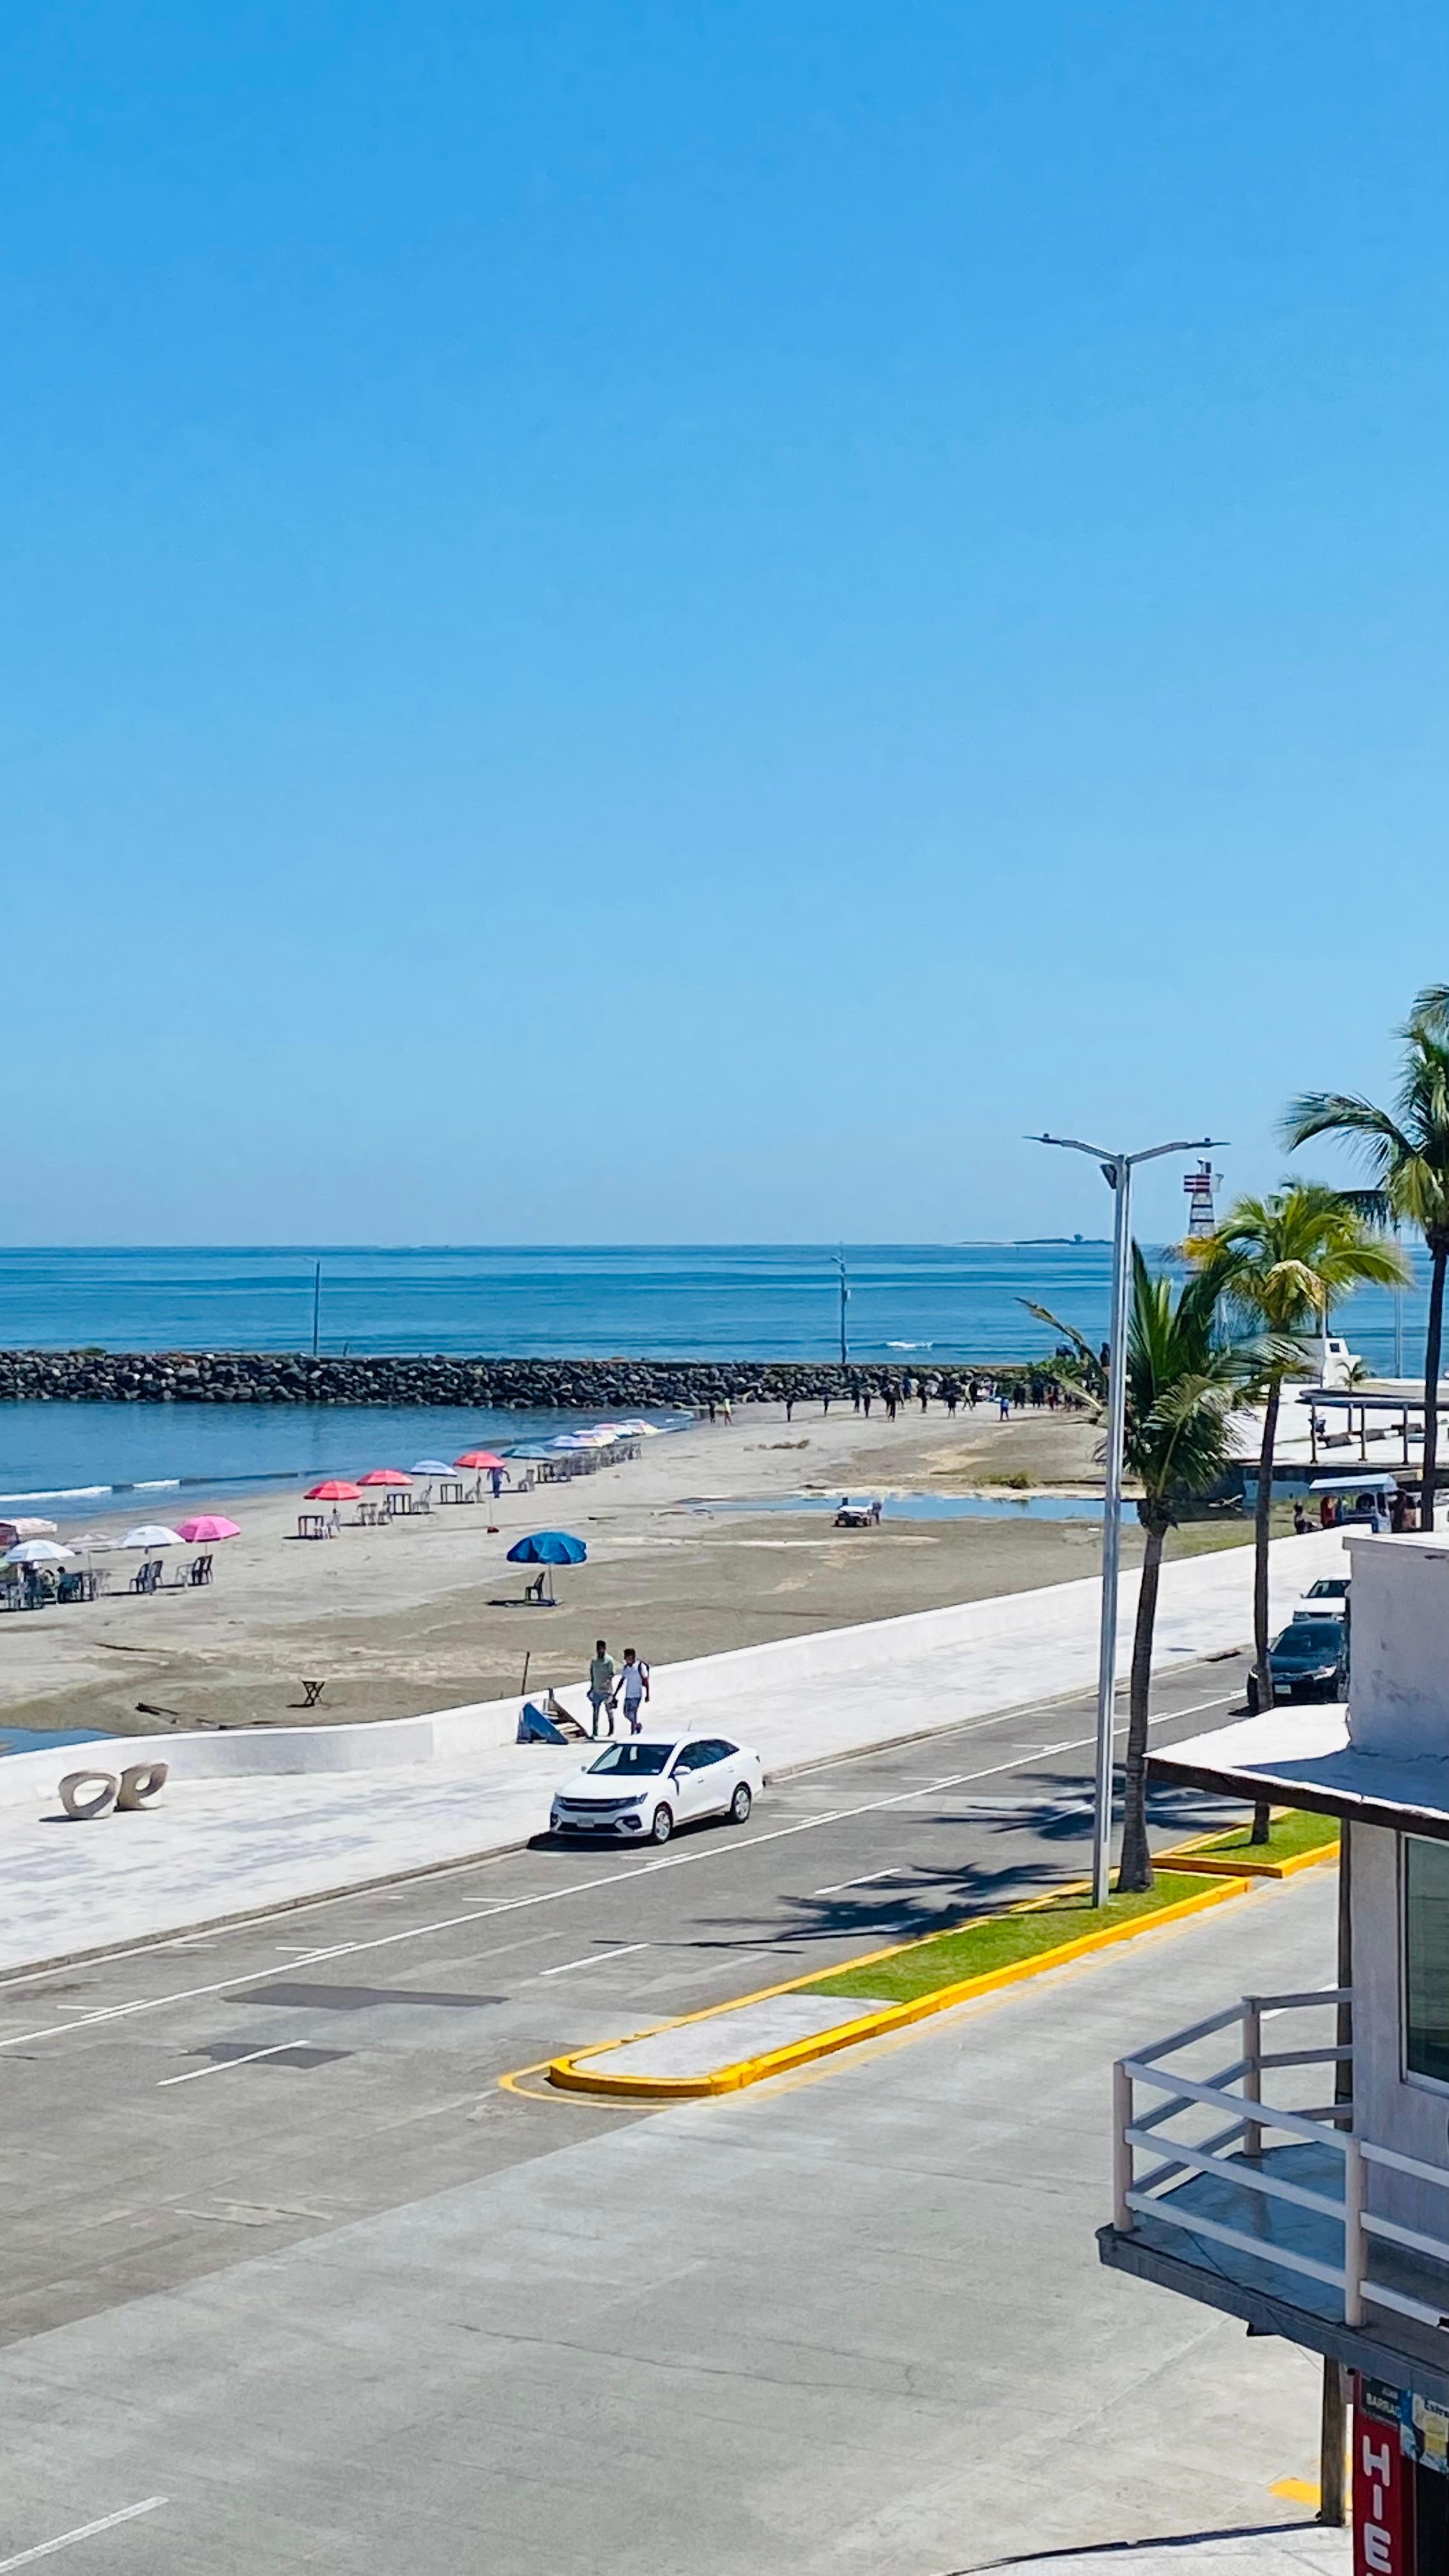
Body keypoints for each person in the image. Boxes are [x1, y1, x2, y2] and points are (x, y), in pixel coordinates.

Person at [587, 1641, 617, 1737]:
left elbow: (612, 1674)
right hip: (596, 1690)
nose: (600, 1651)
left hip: (607, 1691)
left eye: (601, 1649)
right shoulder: (594, 1661)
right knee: (595, 1712)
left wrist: (607, 1682)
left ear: (605, 1649)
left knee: (609, 1710)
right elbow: (592, 1675)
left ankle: (611, 1730)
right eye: (598, 1649)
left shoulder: (610, 1660)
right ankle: (595, 1732)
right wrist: (591, 1688)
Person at [618, 1647, 650, 1732]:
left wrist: (647, 1694)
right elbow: (622, 1680)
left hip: (637, 1695)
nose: (627, 1659)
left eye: (628, 1657)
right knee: (626, 1714)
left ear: (633, 1657)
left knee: (633, 1713)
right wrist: (615, 1694)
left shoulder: (640, 1666)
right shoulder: (626, 1668)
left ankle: (633, 1732)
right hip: (628, 1695)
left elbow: (646, 1680)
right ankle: (637, 1726)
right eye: (626, 1657)